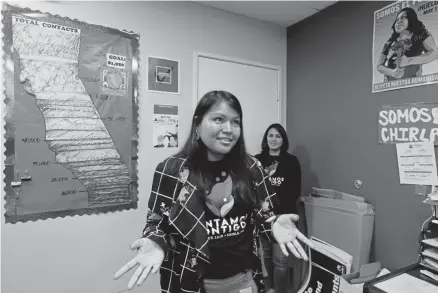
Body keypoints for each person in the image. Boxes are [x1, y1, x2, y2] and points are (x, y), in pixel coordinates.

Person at [114, 90, 313, 293]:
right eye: (219, 119)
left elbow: (263, 217)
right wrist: (156, 241)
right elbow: (157, 222)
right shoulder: (172, 170)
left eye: (236, 122)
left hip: (244, 282)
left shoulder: (252, 167)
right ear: (198, 124)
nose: (229, 129)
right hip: (190, 282)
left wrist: (273, 225)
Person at [255, 123, 302, 293]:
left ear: (283, 140)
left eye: (278, 136)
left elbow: (295, 191)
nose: (273, 139)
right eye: (270, 135)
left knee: (281, 261)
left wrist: (280, 213)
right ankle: (270, 289)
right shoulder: (256, 160)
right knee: (265, 256)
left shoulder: (291, 161)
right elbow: (252, 189)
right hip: (263, 217)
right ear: (266, 139)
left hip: (284, 217)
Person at [377, 7, 438, 81]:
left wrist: (409, 61)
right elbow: (379, 66)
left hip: (413, 82)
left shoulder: (421, 34)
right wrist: (392, 73)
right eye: (397, 20)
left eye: (403, 17)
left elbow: (435, 53)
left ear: (411, 19)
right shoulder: (389, 43)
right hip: (390, 84)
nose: (398, 22)